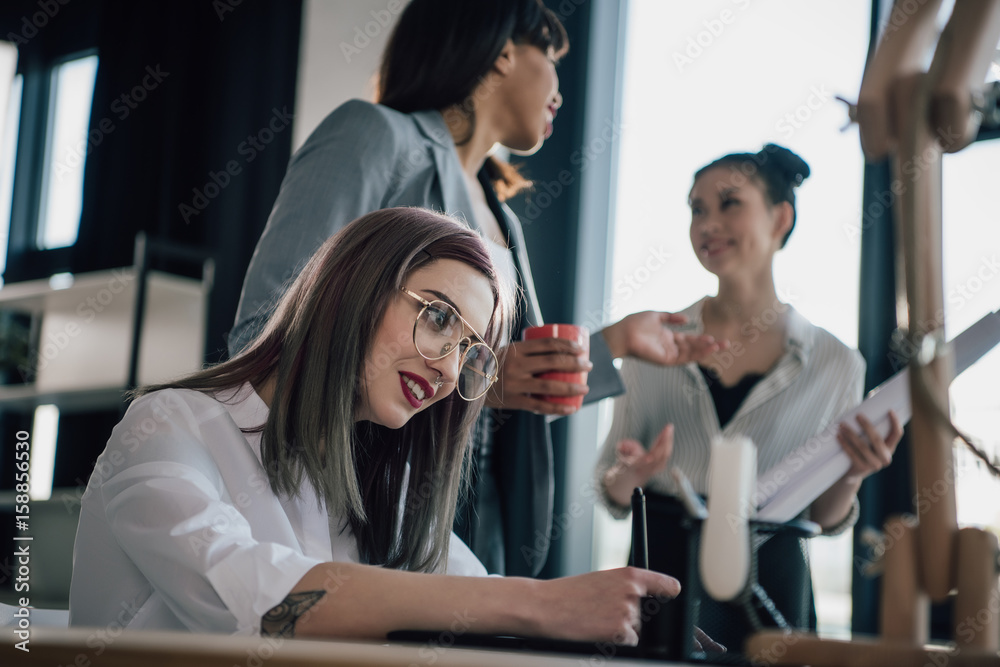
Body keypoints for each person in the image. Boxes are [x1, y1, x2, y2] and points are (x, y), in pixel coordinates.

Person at [229, 0, 721, 576]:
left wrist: (614, 344)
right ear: (505, 52)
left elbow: (503, 383)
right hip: (368, 503)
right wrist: (474, 380)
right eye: (554, 57)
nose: (561, 90)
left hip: (473, 521)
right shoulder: (373, 136)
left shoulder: (502, 216)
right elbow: (264, 331)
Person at [68, 207, 682, 642]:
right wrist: (540, 604)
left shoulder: (377, 474)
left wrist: (626, 616)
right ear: (354, 284)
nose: (447, 369)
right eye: (439, 318)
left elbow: (468, 587)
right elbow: (258, 602)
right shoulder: (170, 426)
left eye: (472, 353)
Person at [594, 144, 903, 650]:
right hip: (663, 576)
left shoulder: (835, 362)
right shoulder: (652, 341)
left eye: (729, 203)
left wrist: (853, 472)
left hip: (773, 588)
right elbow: (612, 485)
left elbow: (823, 519)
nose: (706, 224)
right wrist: (629, 477)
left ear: (781, 218)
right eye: (697, 209)